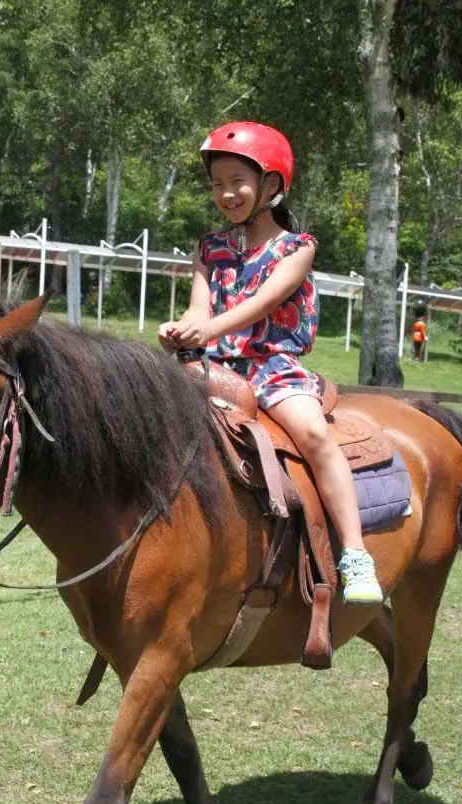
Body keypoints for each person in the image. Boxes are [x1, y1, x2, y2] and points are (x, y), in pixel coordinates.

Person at [159, 121, 382, 604]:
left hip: (271, 367)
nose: (226, 194)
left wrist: (210, 329)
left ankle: (356, 554)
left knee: (315, 435)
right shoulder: (208, 249)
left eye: (237, 182)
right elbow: (199, 308)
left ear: (272, 185)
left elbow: (261, 303)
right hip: (211, 364)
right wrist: (182, 330)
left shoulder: (297, 249)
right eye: (217, 184)